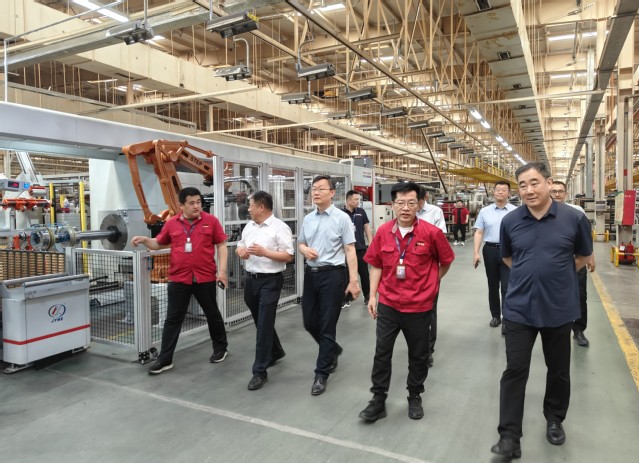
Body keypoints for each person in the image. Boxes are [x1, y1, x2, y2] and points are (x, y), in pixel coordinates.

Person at [491, 162, 592, 458]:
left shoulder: (574, 218)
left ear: (548, 183)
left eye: (534, 182)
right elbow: (508, 258)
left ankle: (555, 419)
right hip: (519, 308)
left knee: (558, 370)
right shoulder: (511, 221)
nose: (529, 190)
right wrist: (530, 275)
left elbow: (583, 256)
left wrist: (556, 275)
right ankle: (509, 435)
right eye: (522, 185)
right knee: (515, 370)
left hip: (558, 307)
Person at [358, 182, 454, 422]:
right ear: (392, 205)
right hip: (389, 304)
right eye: (400, 203)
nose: (405, 207)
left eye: (411, 203)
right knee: (382, 353)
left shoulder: (431, 233)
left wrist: (431, 283)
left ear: (419, 205)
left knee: (419, 355)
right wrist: (372, 296)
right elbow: (376, 264)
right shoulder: (383, 232)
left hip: (419, 306)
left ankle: (415, 395)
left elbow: (446, 261)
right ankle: (378, 399)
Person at [131, 187, 229, 374]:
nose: (196, 206)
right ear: (181, 205)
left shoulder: (211, 221)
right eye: (191, 203)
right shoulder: (172, 223)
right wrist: (144, 240)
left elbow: (221, 245)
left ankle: (220, 348)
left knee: (212, 314)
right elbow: (158, 244)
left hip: (205, 276)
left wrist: (222, 271)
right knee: (173, 319)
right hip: (179, 278)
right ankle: (165, 359)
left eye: (198, 202)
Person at [298, 175, 361, 396]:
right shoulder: (308, 218)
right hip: (311, 274)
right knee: (309, 322)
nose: (315, 192)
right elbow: (301, 243)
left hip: (333, 276)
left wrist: (353, 281)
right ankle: (332, 348)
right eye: (313, 189)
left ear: (332, 193)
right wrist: (304, 250)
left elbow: (350, 250)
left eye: (321, 189)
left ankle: (321, 373)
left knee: (327, 325)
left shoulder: (342, 218)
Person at [236, 191, 294, 390]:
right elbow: (240, 244)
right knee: (262, 321)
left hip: (270, 281)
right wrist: (240, 250)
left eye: (250, 205)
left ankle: (259, 371)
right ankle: (276, 351)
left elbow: (288, 256)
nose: (248, 209)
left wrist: (265, 253)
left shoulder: (280, 228)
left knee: (263, 325)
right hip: (251, 281)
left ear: (261, 207)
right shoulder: (249, 226)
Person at [550, 180, 595, 347]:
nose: (557, 194)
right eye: (554, 191)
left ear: (566, 194)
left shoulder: (577, 212)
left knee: (580, 295)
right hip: (553, 263)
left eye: (560, 191)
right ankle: (554, 328)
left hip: (576, 260)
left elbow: (586, 237)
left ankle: (579, 330)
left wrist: (591, 256)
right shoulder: (541, 212)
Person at [472, 181, 517, 329]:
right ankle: (496, 316)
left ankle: (507, 318)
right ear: (493, 192)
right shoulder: (485, 211)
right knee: (492, 285)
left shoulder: (516, 211)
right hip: (490, 250)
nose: (500, 192)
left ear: (509, 193)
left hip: (508, 251)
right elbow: (479, 232)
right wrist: (476, 253)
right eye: (498, 190)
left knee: (507, 286)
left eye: (504, 190)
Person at [417, 187, 447, 368]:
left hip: (429, 269)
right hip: (408, 271)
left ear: (425, 198)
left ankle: (428, 350)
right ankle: (417, 346)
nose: (415, 205)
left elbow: (440, 239)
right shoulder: (406, 211)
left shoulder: (435, 212)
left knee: (429, 309)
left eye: (418, 201)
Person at [342, 190, 373, 307]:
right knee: (345, 274)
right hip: (345, 250)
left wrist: (371, 243)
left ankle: (367, 295)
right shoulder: (341, 213)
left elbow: (367, 227)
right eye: (356, 199)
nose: (358, 202)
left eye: (358, 199)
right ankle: (346, 298)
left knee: (364, 274)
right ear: (348, 200)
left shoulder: (361, 212)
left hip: (360, 248)